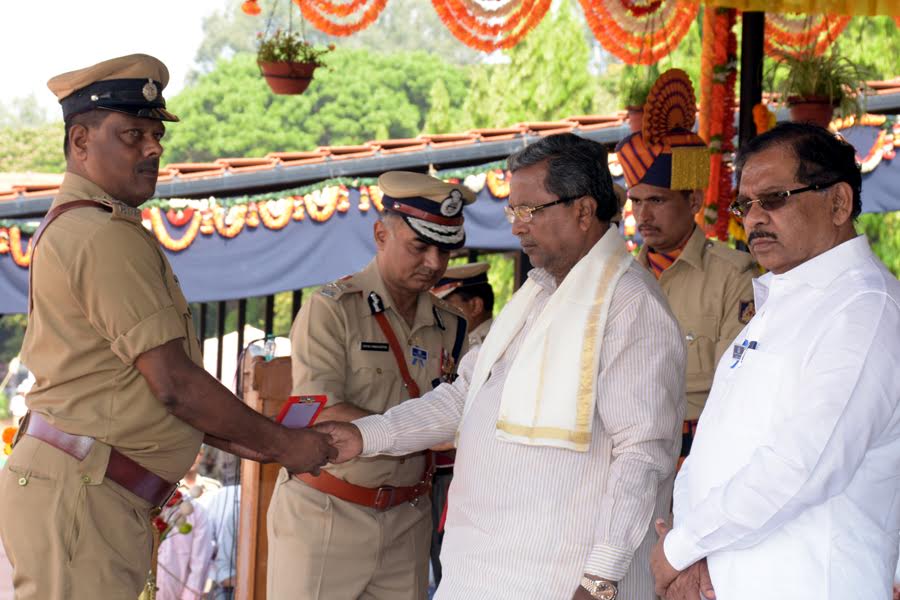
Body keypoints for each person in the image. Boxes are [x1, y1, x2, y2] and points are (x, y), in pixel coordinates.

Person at [0, 54, 335, 599]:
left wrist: (260, 442)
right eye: (132, 134)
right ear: (80, 141)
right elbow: (174, 384)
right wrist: (284, 444)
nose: (153, 148)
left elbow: (146, 390)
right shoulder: (101, 234)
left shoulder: (92, 227)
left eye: (155, 135)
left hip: (92, 489)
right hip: (86, 493)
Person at [319, 133, 686, 599]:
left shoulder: (629, 304)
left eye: (529, 210)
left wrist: (601, 577)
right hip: (481, 572)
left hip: (560, 579)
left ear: (582, 210)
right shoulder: (537, 294)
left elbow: (644, 452)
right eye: (514, 212)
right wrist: (365, 436)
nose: (517, 228)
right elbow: (464, 396)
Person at [650, 122, 900, 600]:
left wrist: (681, 548)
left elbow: (800, 465)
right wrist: (692, 552)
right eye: (745, 205)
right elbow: (715, 446)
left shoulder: (864, 310)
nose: (755, 218)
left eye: (774, 199)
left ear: (838, 203)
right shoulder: (783, 301)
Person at [266, 171, 475, 600]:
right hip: (327, 513)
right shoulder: (333, 309)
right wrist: (425, 431)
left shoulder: (452, 325)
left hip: (408, 519)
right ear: (381, 234)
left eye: (444, 250)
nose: (434, 263)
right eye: (419, 247)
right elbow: (322, 411)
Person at [616, 69, 756, 460]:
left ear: (693, 201)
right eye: (636, 201)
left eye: (656, 201)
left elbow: (740, 383)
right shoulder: (620, 278)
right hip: (628, 449)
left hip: (703, 448)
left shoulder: (733, 275)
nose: (642, 215)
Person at [429, 262, 495, 586]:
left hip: (465, 469)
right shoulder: (457, 341)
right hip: (439, 467)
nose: (442, 314)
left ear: (475, 305)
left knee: (459, 566)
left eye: (450, 305)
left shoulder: (492, 345)